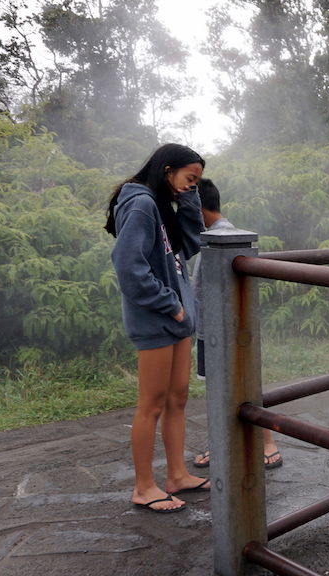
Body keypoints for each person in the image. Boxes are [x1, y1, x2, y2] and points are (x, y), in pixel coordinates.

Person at [105, 143, 211, 513]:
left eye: (196, 182)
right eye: (188, 178)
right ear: (167, 170)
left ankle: (177, 475)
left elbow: (194, 241)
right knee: (150, 405)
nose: (189, 186)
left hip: (176, 318)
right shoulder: (140, 203)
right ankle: (143, 486)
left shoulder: (163, 205)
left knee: (177, 398)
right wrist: (172, 305)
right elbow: (128, 266)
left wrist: (191, 196)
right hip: (156, 317)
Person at [190, 178, 283, 470]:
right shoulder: (207, 235)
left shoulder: (225, 236)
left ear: (197, 208)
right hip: (211, 331)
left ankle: (267, 443)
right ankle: (221, 443)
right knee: (220, 392)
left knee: (245, 388)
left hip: (226, 331)